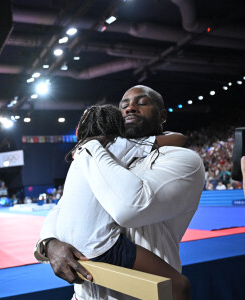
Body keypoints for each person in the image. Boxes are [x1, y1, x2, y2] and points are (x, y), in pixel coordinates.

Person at [35, 85, 205, 300]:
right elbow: (63, 206)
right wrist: (49, 243)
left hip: (146, 294)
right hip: (84, 295)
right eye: (123, 105)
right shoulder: (104, 153)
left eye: (141, 103)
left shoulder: (180, 159)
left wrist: (91, 149)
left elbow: (129, 209)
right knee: (179, 286)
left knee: (177, 286)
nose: (130, 108)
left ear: (162, 115)